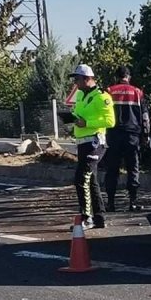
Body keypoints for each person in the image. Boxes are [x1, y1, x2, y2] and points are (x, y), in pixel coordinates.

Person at [68, 64, 116, 229]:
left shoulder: (102, 97)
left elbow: (110, 121)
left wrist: (87, 123)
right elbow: (80, 115)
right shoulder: (81, 95)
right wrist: (71, 118)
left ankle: (86, 218)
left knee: (82, 179)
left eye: (78, 79)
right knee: (92, 179)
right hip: (83, 143)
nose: (75, 82)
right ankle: (99, 217)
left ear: (88, 78)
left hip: (95, 142)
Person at [102, 66, 150, 212]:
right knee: (133, 168)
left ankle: (110, 203)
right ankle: (133, 202)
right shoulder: (137, 92)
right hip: (132, 136)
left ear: (117, 77)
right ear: (128, 77)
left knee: (112, 169)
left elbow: (102, 113)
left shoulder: (109, 91)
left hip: (113, 135)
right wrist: (146, 135)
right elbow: (145, 117)